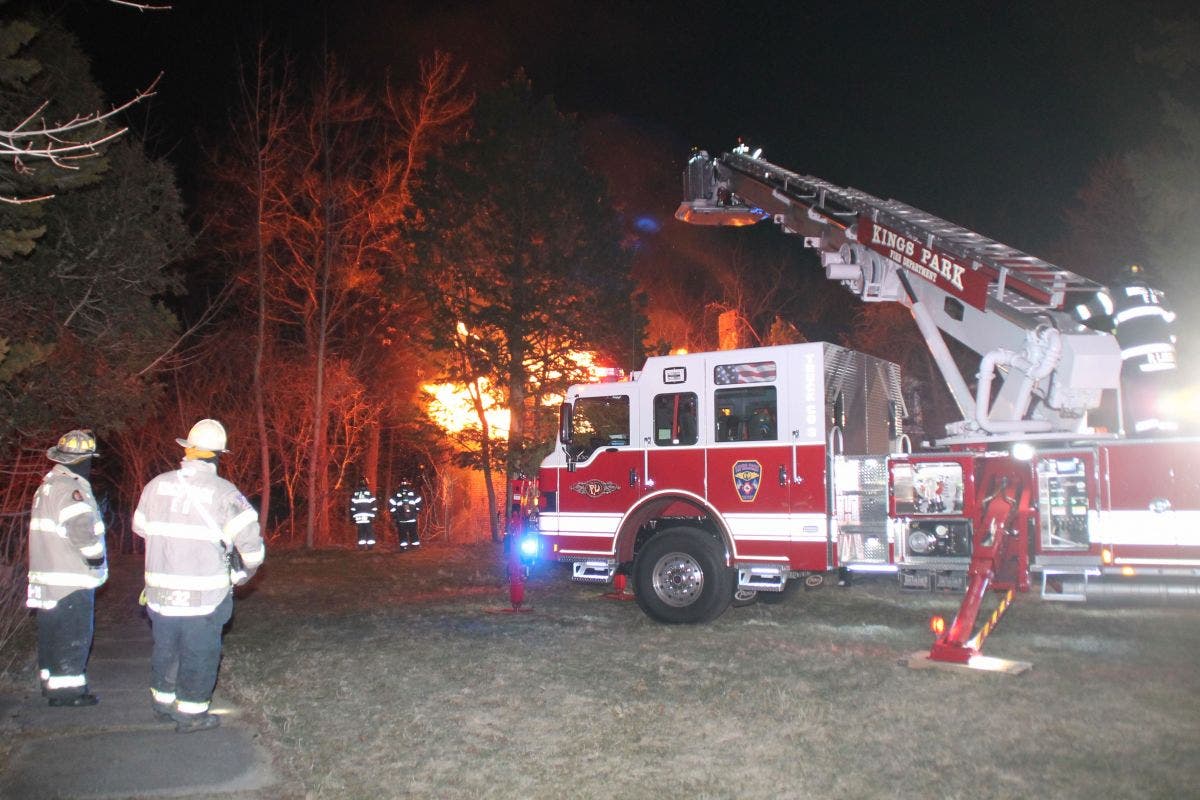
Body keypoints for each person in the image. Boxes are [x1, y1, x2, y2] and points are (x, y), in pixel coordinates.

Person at [132, 418, 264, 733]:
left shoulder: (155, 485)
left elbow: (139, 528)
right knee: (200, 653)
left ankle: (162, 704)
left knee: (166, 648)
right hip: (205, 597)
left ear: (187, 450)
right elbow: (252, 548)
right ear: (219, 455)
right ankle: (191, 713)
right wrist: (243, 574)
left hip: (161, 594)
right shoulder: (224, 493)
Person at [26, 429, 107, 707]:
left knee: (51, 635)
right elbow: (81, 528)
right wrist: (95, 556)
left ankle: (53, 684)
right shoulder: (70, 488)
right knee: (72, 635)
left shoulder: (48, 486)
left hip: (47, 580)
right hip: (70, 579)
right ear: (83, 460)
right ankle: (69, 692)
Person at [388, 480, 423, 551]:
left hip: (401, 519)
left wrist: (395, 514)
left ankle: (404, 547)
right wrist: (417, 510)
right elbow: (419, 501)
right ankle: (415, 545)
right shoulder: (413, 493)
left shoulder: (396, 494)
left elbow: (391, 504)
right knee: (413, 532)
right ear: (408, 484)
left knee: (402, 533)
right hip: (412, 518)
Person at [350, 478, 378, 549]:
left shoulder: (355, 494)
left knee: (360, 531)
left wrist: (353, 516)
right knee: (369, 531)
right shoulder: (369, 493)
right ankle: (370, 546)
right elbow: (374, 505)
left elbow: (352, 507)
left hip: (358, 517)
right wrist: (374, 515)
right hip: (368, 516)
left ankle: (361, 546)